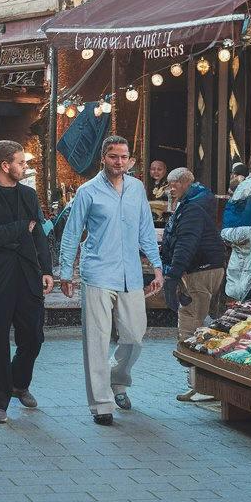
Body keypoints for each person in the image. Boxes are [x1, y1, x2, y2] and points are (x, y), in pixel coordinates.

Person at [58, 135, 162, 425]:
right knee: (97, 340)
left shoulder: (137, 188)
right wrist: (66, 271)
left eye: (124, 157)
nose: (120, 162)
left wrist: (157, 266)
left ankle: (118, 379)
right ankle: (101, 404)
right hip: (98, 272)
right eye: (114, 157)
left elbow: (145, 229)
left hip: (130, 272)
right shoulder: (87, 191)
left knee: (135, 335)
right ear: (103, 157)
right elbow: (72, 232)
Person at [0, 140, 53, 424]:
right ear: (5, 165)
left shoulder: (28, 195)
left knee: (33, 336)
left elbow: (38, 233)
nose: (24, 167)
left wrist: (46, 269)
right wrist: (20, 228)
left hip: (28, 273)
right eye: (21, 162)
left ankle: (18, 383)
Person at [160, 168, 226, 402]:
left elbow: (186, 242)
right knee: (200, 323)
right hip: (204, 269)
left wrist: (173, 274)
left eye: (173, 183)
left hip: (199, 272)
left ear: (185, 182)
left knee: (191, 326)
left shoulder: (192, 208)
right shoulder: (194, 204)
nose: (170, 188)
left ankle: (203, 387)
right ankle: (201, 384)